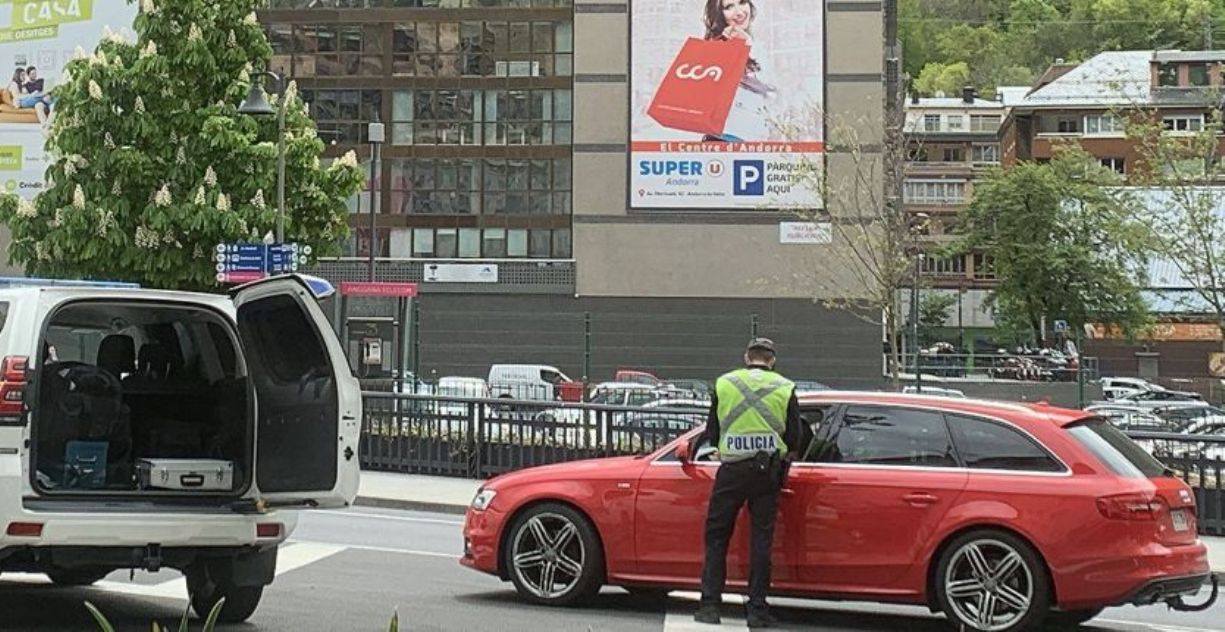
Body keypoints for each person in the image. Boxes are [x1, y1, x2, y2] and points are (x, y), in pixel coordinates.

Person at [694, 338, 807, 629]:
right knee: (761, 541)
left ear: (747, 357)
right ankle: (757, 610)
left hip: (731, 471)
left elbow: (712, 432)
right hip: (767, 473)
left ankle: (709, 606)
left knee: (717, 537)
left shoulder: (724, 383)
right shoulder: (784, 387)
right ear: (772, 360)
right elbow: (795, 437)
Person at [701, 0, 777, 142]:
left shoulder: (754, 45)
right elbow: (765, 83)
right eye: (729, 7)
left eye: (742, 2)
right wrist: (745, 44)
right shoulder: (718, 46)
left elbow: (772, 89)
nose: (739, 12)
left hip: (751, 137)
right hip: (726, 136)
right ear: (719, 14)